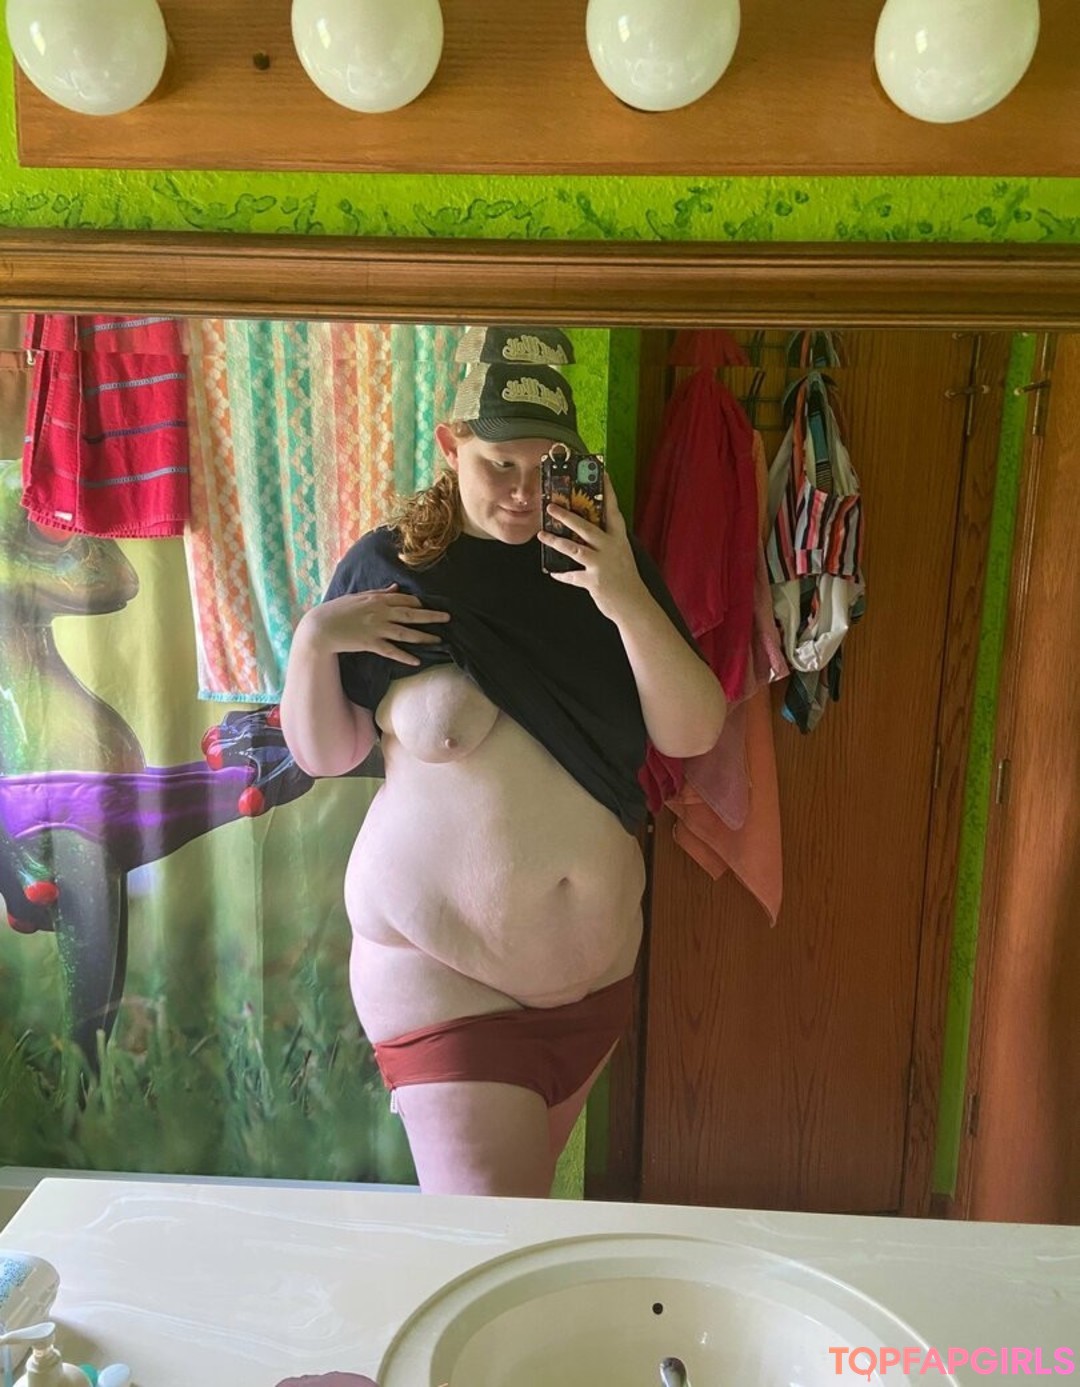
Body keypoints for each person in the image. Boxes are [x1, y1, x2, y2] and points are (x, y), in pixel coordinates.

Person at [280, 327, 726, 1197]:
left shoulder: (600, 565)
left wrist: (622, 593)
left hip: (595, 994)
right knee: (489, 1248)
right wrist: (313, 640)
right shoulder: (395, 567)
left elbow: (693, 731)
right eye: (500, 465)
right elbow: (328, 753)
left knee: (515, 1241)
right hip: (447, 989)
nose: (524, 493)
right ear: (452, 447)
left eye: (545, 466)